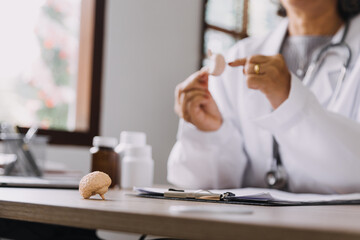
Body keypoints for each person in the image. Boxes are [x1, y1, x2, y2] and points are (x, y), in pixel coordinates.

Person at [167, 0, 360, 194]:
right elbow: (203, 184)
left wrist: (291, 102)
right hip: (250, 223)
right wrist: (210, 132)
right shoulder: (240, 55)